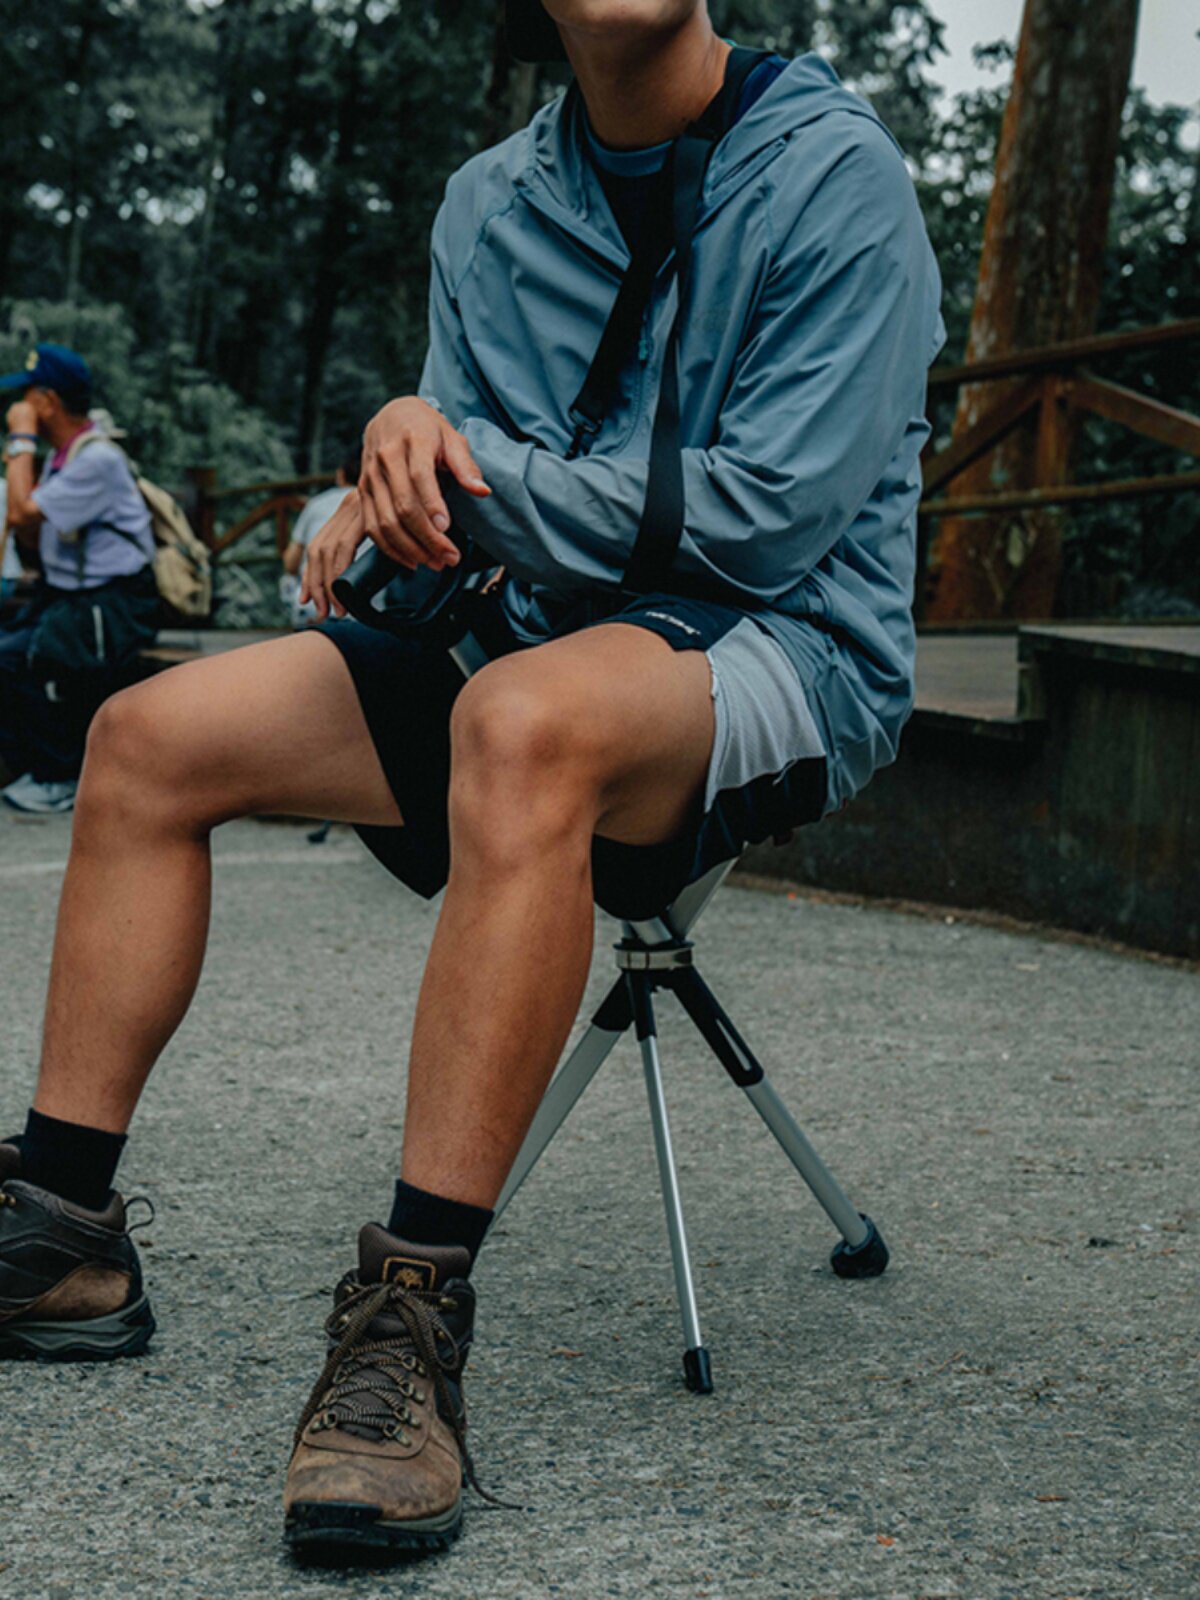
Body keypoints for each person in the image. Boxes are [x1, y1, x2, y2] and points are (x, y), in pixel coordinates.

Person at [0, 0, 944, 1563]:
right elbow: (458, 491)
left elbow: (768, 516)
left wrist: (467, 478)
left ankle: (408, 1324)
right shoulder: (491, 203)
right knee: (144, 738)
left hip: (785, 641)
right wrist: (390, 468)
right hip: (532, 630)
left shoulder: (836, 175)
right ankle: (61, 1237)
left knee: (516, 725)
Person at [0, 345, 158, 813]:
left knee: (26, 658)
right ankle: (37, 767)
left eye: (27, 395)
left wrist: (21, 439)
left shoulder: (98, 459)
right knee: (7, 652)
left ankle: (60, 776)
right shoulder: (63, 457)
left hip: (114, 601)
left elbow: (20, 511)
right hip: (68, 594)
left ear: (47, 401)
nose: (19, 404)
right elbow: (29, 527)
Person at [279, 446, 360, 628]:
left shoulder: (316, 503)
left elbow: (290, 562)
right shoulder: (383, 506)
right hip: (365, 615)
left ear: (340, 475)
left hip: (313, 609)